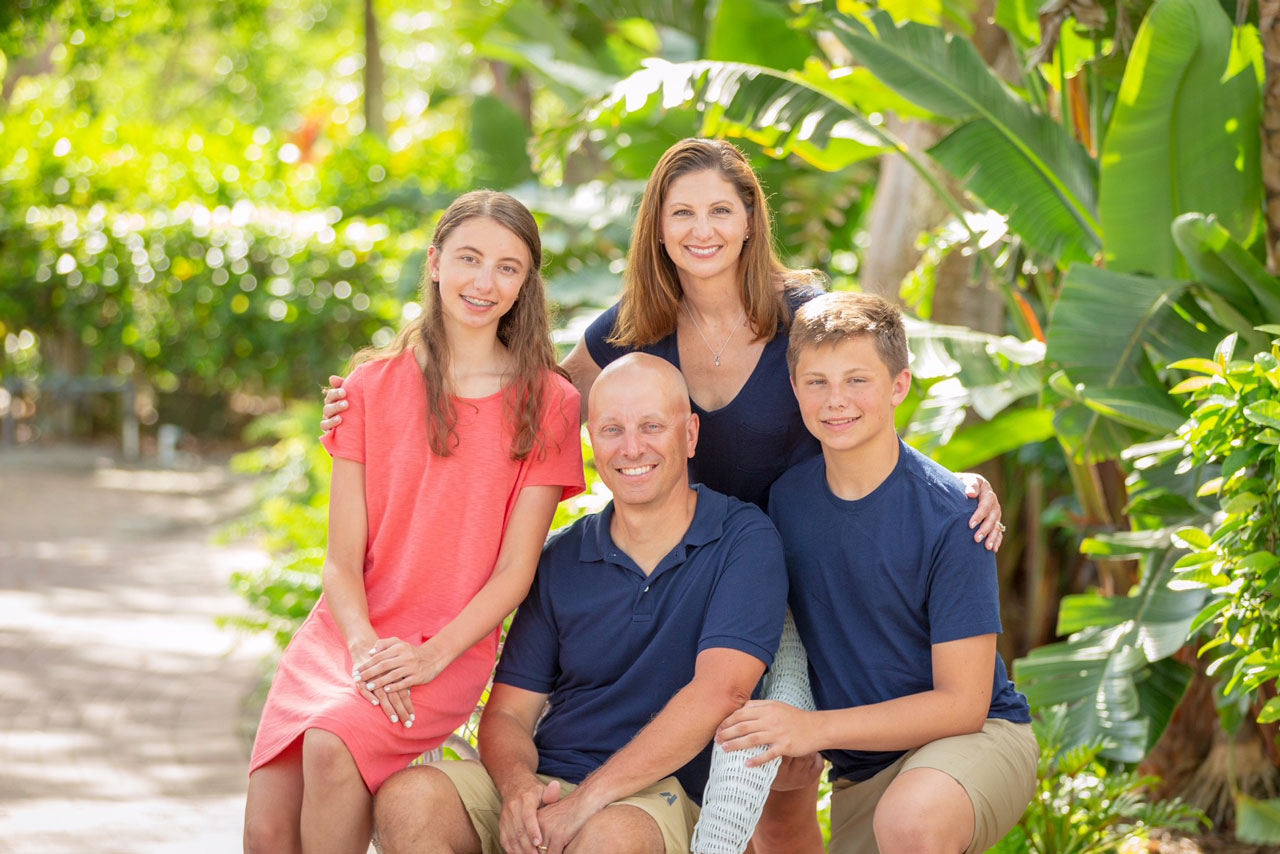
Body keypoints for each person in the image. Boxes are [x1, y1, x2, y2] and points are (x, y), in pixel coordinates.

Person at [319, 138, 1007, 849]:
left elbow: (858, 393)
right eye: (681, 212)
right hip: (684, 559)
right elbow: (523, 403)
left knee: (787, 786)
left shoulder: (802, 316)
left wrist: (949, 483)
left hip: (788, 565)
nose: (701, 229)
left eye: (719, 210)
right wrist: (377, 405)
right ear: (658, 225)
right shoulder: (633, 325)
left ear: (750, 220)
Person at [242, 191, 586, 854]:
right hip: (348, 631)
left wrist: (425, 658)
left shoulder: (549, 403)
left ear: (526, 284)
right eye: (469, 258)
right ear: (434, 263)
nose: (485, 282)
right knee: (266, 832)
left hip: (444, 649)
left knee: (330, 743)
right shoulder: (369, 388)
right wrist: (367, 648)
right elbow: (340, 563)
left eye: (508, 267)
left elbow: (515, 573)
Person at [372, 354, 789, 854]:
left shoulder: (742, 539)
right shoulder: (562, 556)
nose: (631, 447)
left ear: (691, 434)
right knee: (410, 797)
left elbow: (721, 692)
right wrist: (518, 790)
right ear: (591, 440)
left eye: (651, 426)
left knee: (606, 841)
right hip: (547, 781)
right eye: (611, 429)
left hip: (656, 796)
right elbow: (508, 715)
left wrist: (586, 801)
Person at [714, 292, 1036, 854]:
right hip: (864, 767)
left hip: (974, 737)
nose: (836, 401)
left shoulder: (954, 515)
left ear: (899, 386)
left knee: (911, 823)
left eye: (857, 380)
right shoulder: (785, 502)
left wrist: (814, 729)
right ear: (794, 390)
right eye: (816, 382)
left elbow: (963, 703)